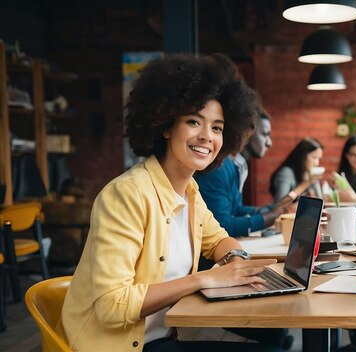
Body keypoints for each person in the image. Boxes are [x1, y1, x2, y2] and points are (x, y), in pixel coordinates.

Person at [57, 53, 280, 352]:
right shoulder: (126, 195)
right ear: (165, 125)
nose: (206, 137)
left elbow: (219, 240)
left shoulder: (189, 191)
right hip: (118, 346)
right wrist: (205, 279)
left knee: (273, 342)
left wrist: (236, 260)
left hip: (160, 340)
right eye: (193, 122)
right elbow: (111, 306)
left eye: (216, 127)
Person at [195, 109, 293, 237]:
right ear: (248, 133)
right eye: (264, 134)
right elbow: (222, 225)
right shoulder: (218, 167)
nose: (269, 143)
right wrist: (269, 217)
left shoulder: (238, 164)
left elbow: (235, 209)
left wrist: (271, 210)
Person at [269, 137, 324, 204]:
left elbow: (320, 200)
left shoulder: (307, 173)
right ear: (302, 156)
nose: (317, 163)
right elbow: (279, 205)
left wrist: (314, 182)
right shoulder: (286, 173)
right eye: (314, 157)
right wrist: (308, 182)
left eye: (319, 159)